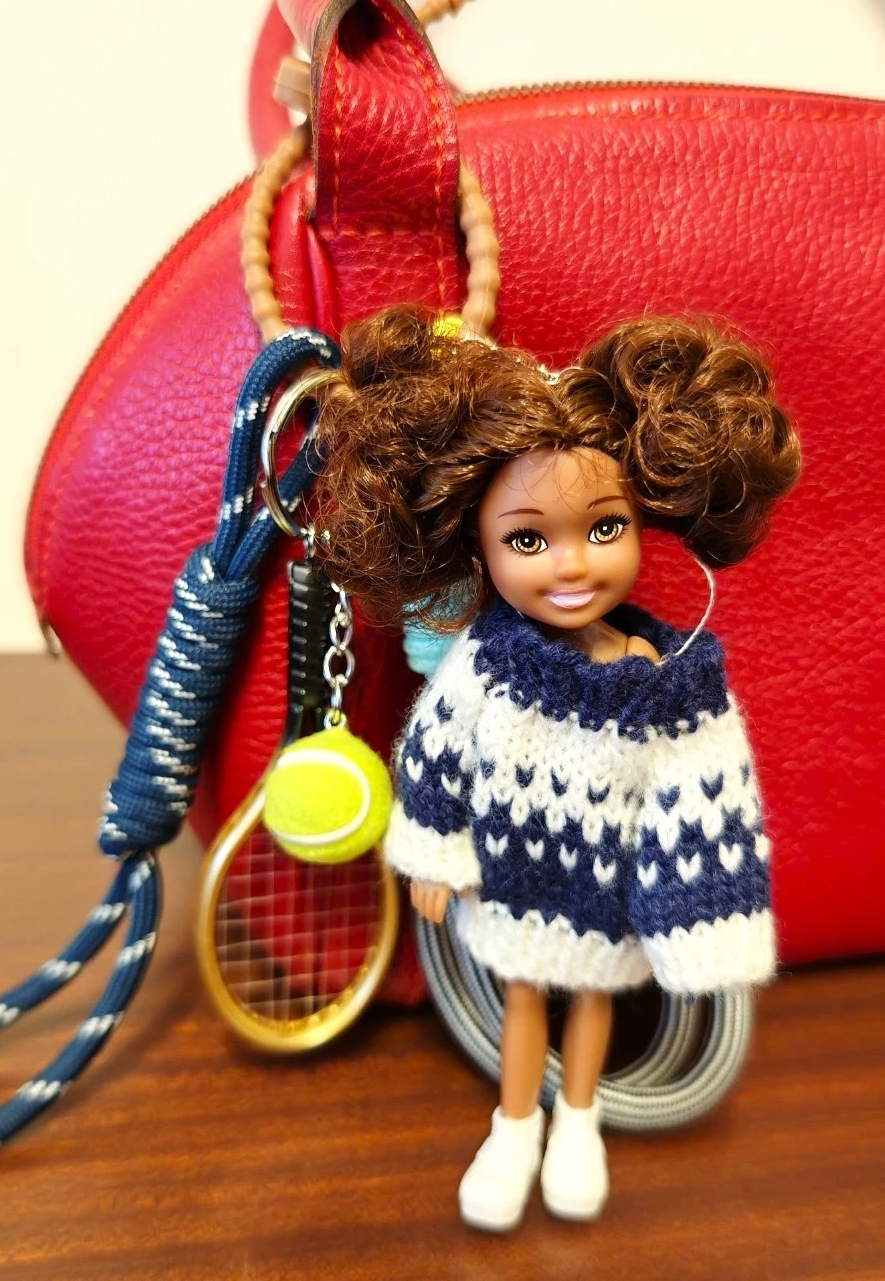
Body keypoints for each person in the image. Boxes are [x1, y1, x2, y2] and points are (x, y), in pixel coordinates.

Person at [311, 304, 801, 1232]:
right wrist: (433, 853)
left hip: (607, 885)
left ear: (644, 520)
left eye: (604, 528)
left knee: (593, 999)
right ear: (480, 547)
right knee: (524, 993)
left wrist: (705, 923)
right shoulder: (487, 663)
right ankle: (514, 1124)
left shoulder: (666, 682)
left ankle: (579, 1120)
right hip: (511, 873)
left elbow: (704, 800)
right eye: (529, 540)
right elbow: (437, 751)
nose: (571, 565)